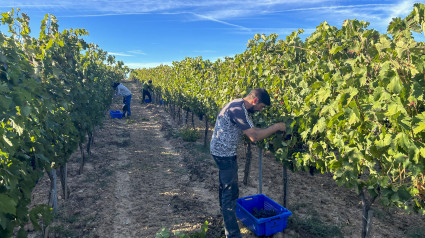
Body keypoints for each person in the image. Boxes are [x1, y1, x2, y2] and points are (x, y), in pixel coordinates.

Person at [210, 88, 286, 238]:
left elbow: (252, 129)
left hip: (221, 152)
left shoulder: (240, 106)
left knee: (226, 190)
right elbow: (254, 136)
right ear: (255, 100)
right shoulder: (238, 109)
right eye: (262, 106)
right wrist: (276, 127)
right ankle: (232, 234)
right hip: (224, 155)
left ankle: (226, 221)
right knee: (230, 194)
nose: (261, 110)